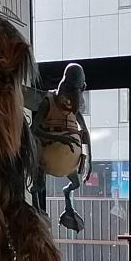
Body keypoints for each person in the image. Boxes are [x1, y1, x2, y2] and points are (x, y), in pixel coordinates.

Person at [31, 62, 90, 232]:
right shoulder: (48, 102)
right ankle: (36, 212)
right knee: (38, 186)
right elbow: (33, 129)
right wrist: (58, 138)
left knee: (76, 185)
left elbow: (85, 134)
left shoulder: (74, 107)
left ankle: (67, 197)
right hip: (45, 159)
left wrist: (90, 162)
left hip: (70, 166)